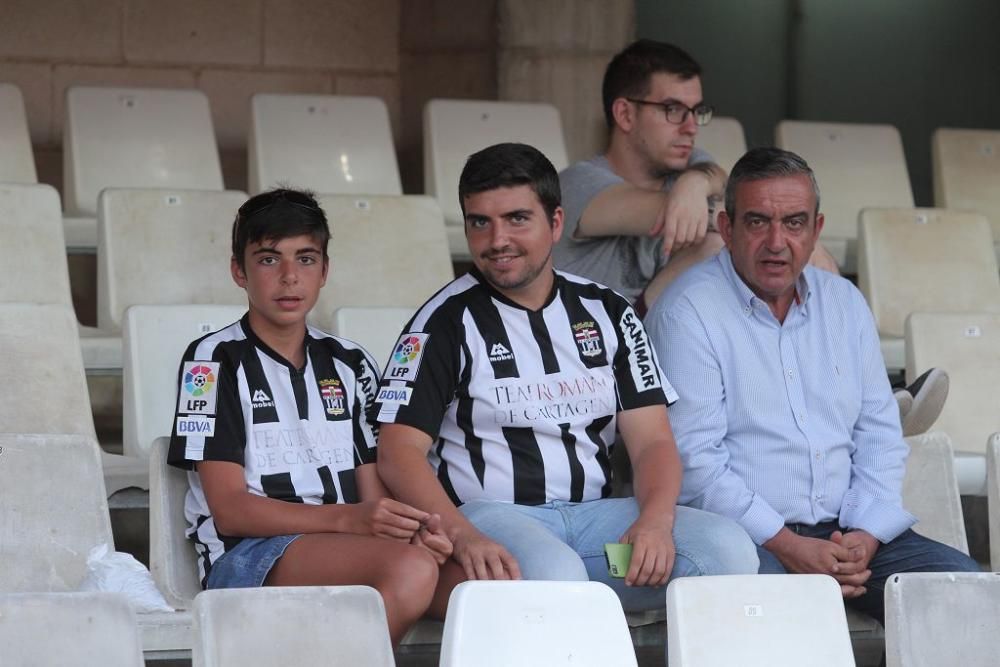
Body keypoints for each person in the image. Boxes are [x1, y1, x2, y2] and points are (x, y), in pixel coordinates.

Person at [374, 142, 758, 619]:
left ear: (555, 222)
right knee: (557, 577)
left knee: (727, 551)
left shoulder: (609, 311)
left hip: (597, 524)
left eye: (517, 218)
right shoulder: (442, 322)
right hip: (493, 519)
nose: (497, 240)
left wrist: (656, 522)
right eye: (480, 222)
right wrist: (462, 534)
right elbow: (397, 453)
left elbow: (653, 442)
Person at [645, 147, 979, 622]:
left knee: (967, 596)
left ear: (816, 229)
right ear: (727, 229)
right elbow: (695, 463)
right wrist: (787, 544)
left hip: (851, 535)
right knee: (793, 626)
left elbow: (880, 436)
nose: (777, 242)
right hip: (746, 540)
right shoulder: (688, 313)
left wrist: (867, 535)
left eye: (794, 223)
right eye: (758, 222)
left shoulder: (844, 302)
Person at [167, 188, 451, 644]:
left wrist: (401, 530)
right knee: (412, 570)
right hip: (250, 555)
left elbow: (371, 491)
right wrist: (350, 520)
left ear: (325, 270)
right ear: (238, 271)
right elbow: (231, 512)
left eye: (305, 259)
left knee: (475, 587)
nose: (288, 277)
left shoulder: (351, 361)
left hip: (352, 546)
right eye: (267, 259)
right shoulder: (211, 361)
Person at [554, 39, 839, 315]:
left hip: (665, 339)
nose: (691, 127)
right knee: (718, 246)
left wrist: (695, 182)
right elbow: (676, 211)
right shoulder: (576, 184)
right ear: (625, 114)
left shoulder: (690, 168)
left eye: (696, 111)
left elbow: (721, 179)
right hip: (595, 347)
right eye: (673, 110)